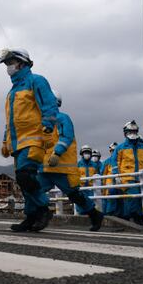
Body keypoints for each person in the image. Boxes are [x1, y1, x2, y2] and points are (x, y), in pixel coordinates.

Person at [0, 49, 57, 232]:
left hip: (33, 139)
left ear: (22, 63)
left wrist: (47, 126)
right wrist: (5, 141)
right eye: (7, 64)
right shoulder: (12, 92)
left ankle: (43, 209)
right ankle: (31, 217)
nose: (9, 67)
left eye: (11, 62)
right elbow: (10, 121)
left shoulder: (36, 81)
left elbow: (49, 104)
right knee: (24, 180)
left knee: (25, 177)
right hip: (17, 144)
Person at [39, 92, 105, 231]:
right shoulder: (43, 122)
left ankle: (94, 215)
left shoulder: (63, 118)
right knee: (35, 190)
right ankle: (41, 215)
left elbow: (66, 137)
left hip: (62, 168)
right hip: (45, 167)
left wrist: (57, 153)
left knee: (74, 194)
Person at [112, 120, 143, 225]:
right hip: (128, 178)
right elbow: (115, 162)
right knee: (133, 199)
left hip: (142, 178)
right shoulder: (120, 148)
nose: (132, 134)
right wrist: (116, 175)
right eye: (130, 132)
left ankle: (140, 219)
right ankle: (137, 219)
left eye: (134, 131)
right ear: (125, 133)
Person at [101, 142, 122, 218]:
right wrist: (103, 187)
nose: (114, 152)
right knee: (109, 200)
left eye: (115, 150)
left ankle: (119, 215)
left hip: (120, 183)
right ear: (110, 151)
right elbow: (103, 174)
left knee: (120, 199)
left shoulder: (121, 160)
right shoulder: (107, 162)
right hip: (109, 184)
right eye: (112, 150)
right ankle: (108, 214)